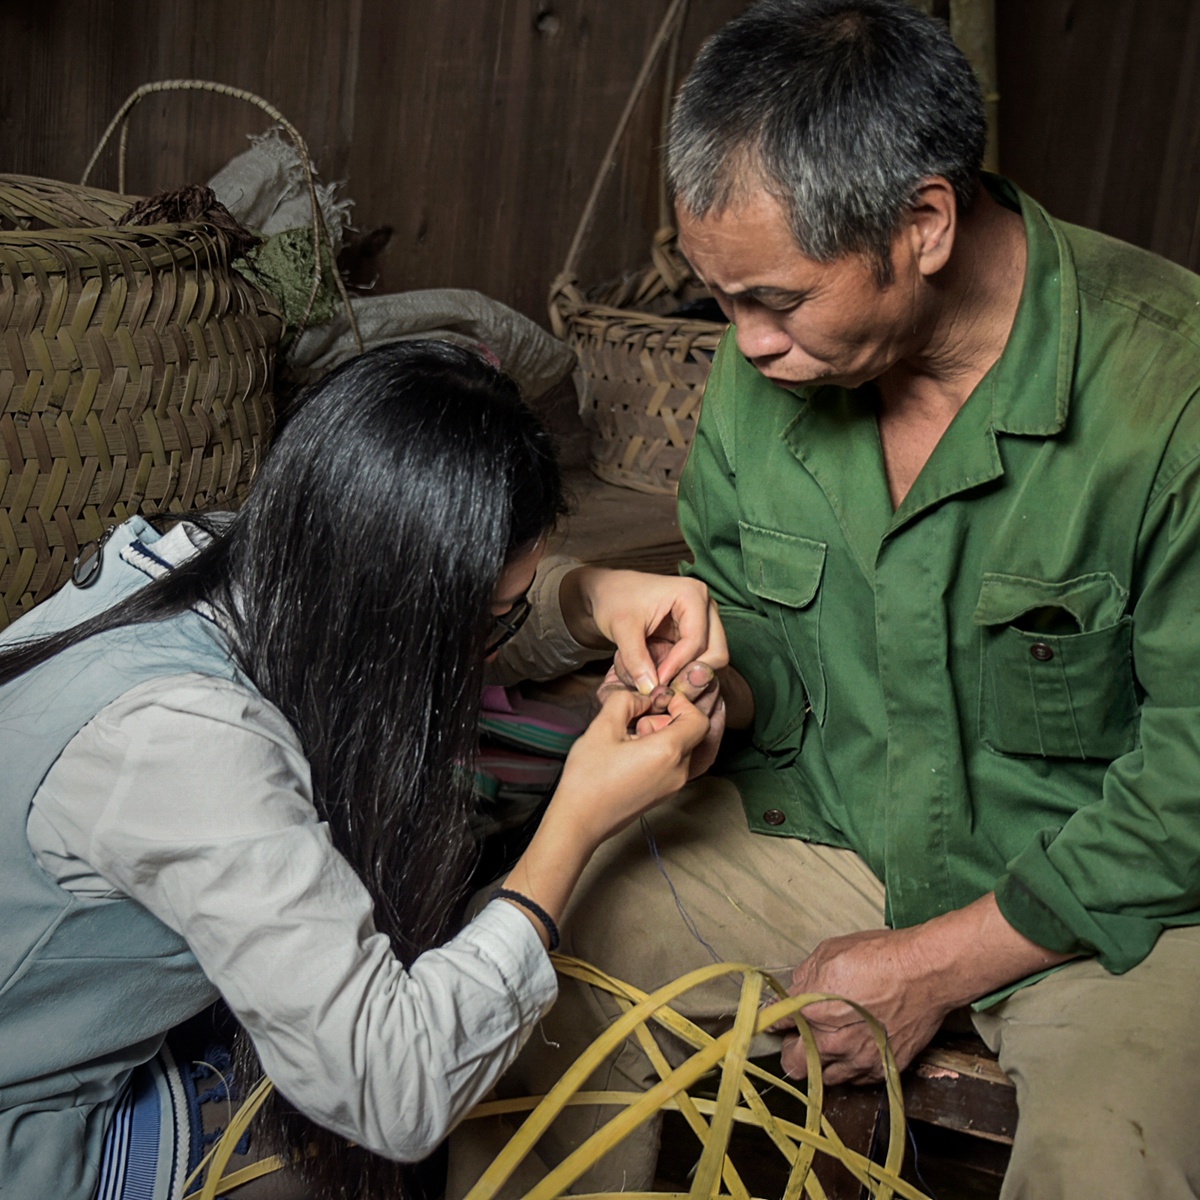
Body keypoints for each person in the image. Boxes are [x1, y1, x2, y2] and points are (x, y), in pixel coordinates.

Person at [449, 3, 1200, 1198]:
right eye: (722, 299)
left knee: (1113, 1158)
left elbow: (1186, 789)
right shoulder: (775, 369)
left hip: (1112, 893)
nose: (746, 346)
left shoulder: (1172, 399)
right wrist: (711, 688)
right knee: (546, 983)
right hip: (843, 827)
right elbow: (769, 639)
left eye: (779, 301)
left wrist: (936, 965)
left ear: (925, 224)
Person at [0, 339, 728, 1200]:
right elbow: (391, 1091)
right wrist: (576, 823)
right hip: (33, 1125)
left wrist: (589, 596)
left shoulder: (230, 554)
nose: (491, 638)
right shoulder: (186, 742)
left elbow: (408, 623)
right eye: (494, 616)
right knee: (360, 1154)